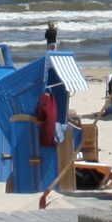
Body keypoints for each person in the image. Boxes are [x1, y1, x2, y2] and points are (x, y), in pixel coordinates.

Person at [34, 75, 72, 207]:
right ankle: (49, 192)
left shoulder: (45, 100)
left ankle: (47, 193)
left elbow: (42, 116)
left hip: (46, 137)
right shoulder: (52, 99)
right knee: (51, 167)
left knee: (47, 168)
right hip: (52, 138)